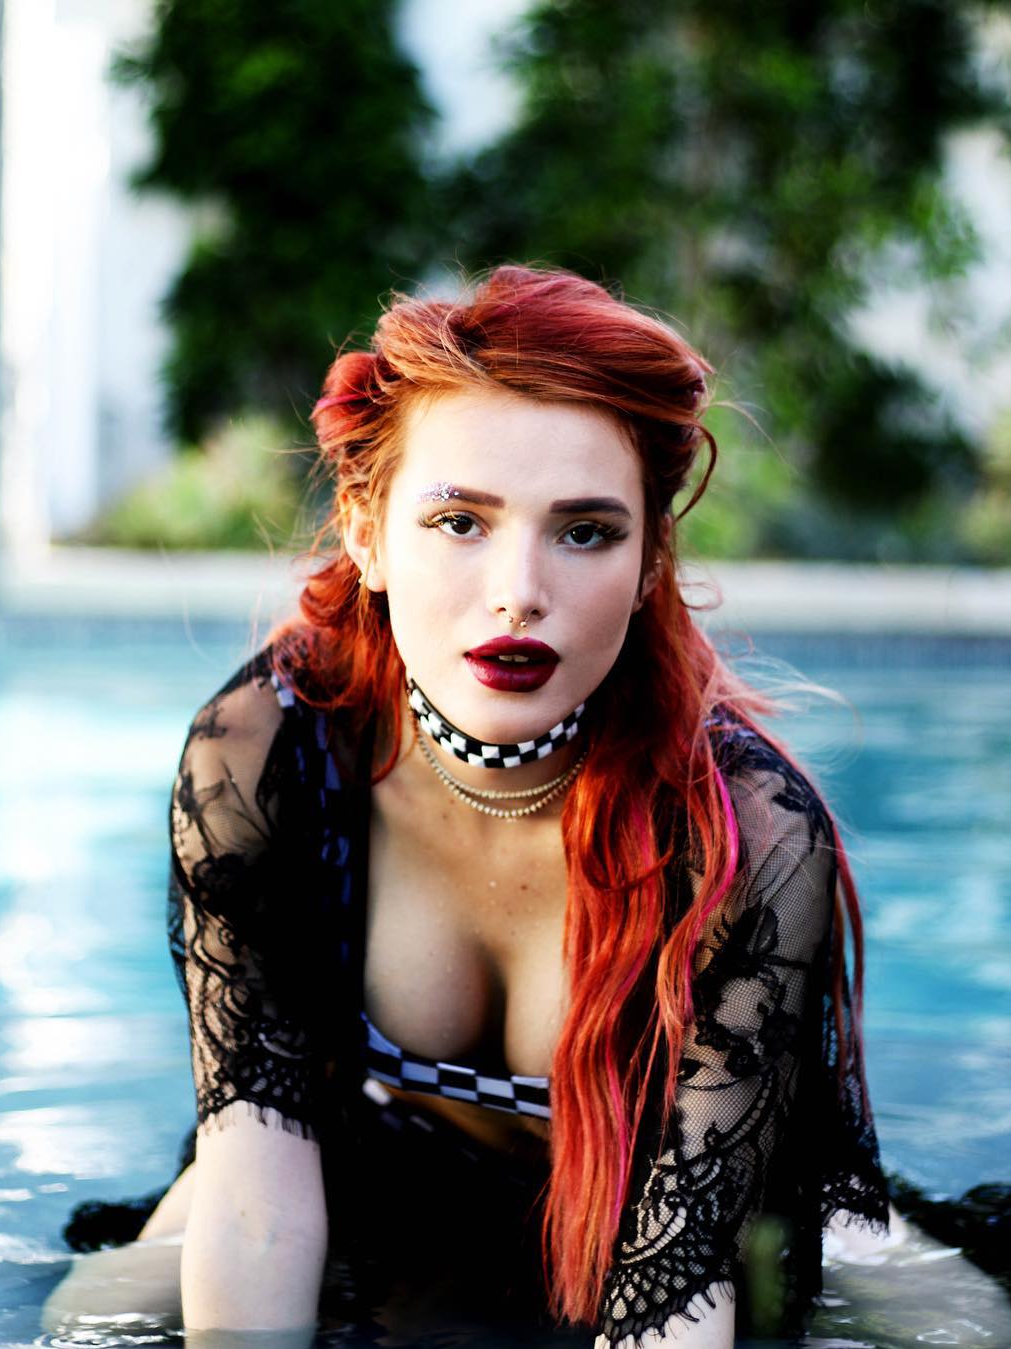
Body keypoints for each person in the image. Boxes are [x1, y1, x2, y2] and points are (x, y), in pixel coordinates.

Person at [44, 264, 898, 1348]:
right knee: (92, 1319)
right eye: (459, 520)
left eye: (584, 531)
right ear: (367, 530)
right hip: (369, 1163)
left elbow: (682, 1282)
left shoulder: (746, 833)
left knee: (952, 1326)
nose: (517, 591)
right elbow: (257, 1181)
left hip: (691, 1201)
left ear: (650, 562)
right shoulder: (265, 758)